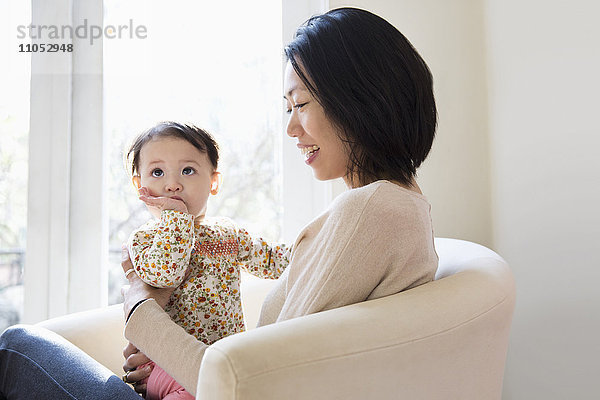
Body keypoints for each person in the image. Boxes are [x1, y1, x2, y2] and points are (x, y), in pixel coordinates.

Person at [0, 7, 438, 399]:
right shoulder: (398, 208)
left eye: (300, 103)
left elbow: (252, 384)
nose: (290, 128)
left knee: (16, 346)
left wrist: (139, 306)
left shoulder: (370, 210)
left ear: (359, 100)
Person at [122, 122, 289, 399]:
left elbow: (273, 261)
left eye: (188, 170)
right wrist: (176, 217)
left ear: (214, 182)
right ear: (140, 185)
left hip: (220, 362)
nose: (172, 183)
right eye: (157, 172)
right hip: (166, 366)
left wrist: (314, 242)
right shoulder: (144, 239)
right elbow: (166, 274)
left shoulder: (228, 232)